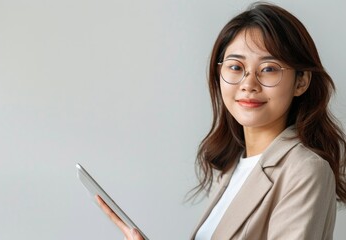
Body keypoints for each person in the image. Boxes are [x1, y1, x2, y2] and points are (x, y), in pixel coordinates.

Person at [96, 2, 346, 239]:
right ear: (219, 74)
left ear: (300, 82)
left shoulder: (305, 170)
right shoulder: (231, 168)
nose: (249, 84)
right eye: (236, 67)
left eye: (269, 68)